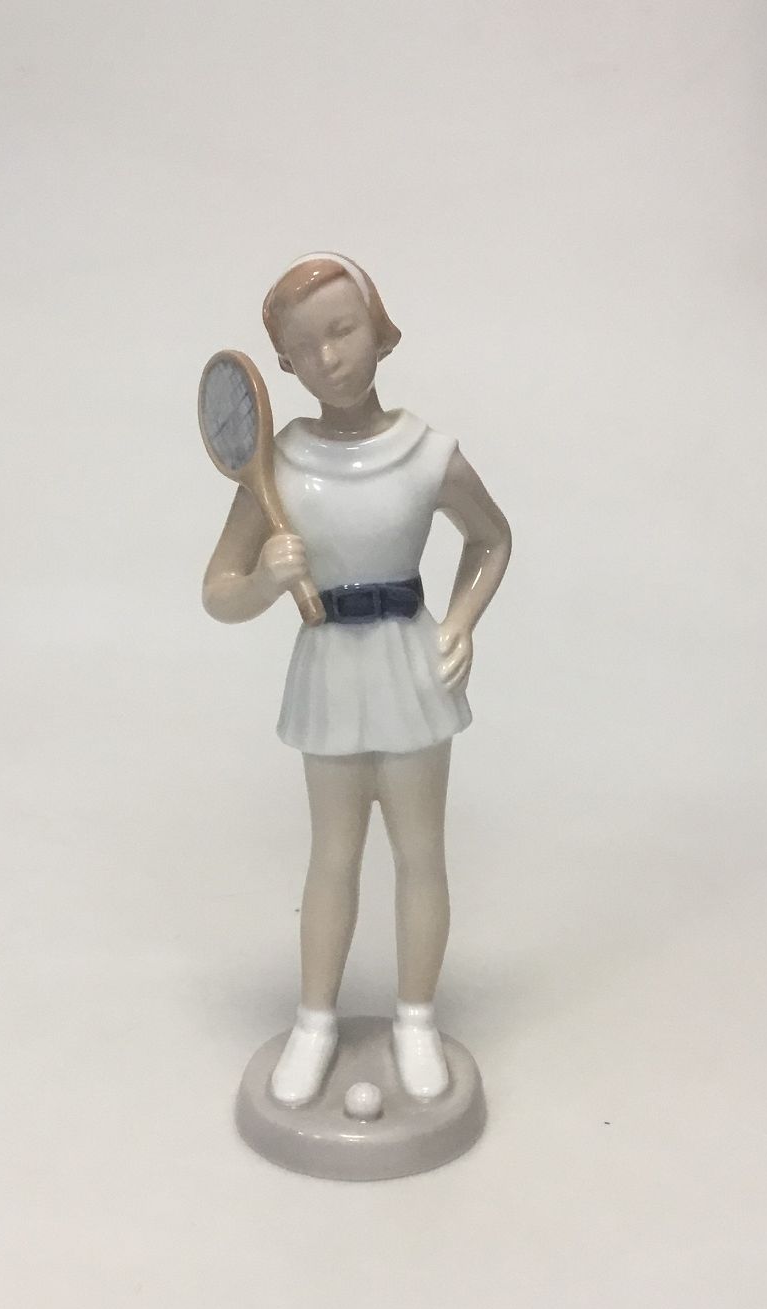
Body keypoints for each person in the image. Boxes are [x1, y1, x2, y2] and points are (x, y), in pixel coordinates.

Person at [203, 253, 512, 1106]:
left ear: (380, 331)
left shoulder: (429, 454)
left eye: (342, 330)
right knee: (332, 856)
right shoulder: (275, 469)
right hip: (330, 675)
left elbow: (490, 538)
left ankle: (416, 1018)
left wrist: (459, 622)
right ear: (284, 365)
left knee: (419, 853)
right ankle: (314, 1020)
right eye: (306, 347)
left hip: (412, 670)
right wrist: (265, 581)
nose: (330, 358)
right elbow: (219, 590)